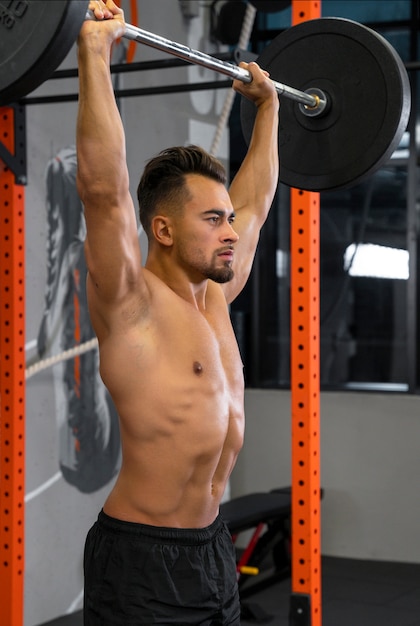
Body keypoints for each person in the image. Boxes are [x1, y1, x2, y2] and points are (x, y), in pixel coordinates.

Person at [76, 1, 279, 623]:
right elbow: (104, 190)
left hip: (213, 549)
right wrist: (94, 54)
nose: (230, 232)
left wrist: (268, 111)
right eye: (212, 220)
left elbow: (258, 198)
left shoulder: (215, 294)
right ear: (162, 230)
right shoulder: (129, 303)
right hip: (141, 559)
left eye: (228, 221)